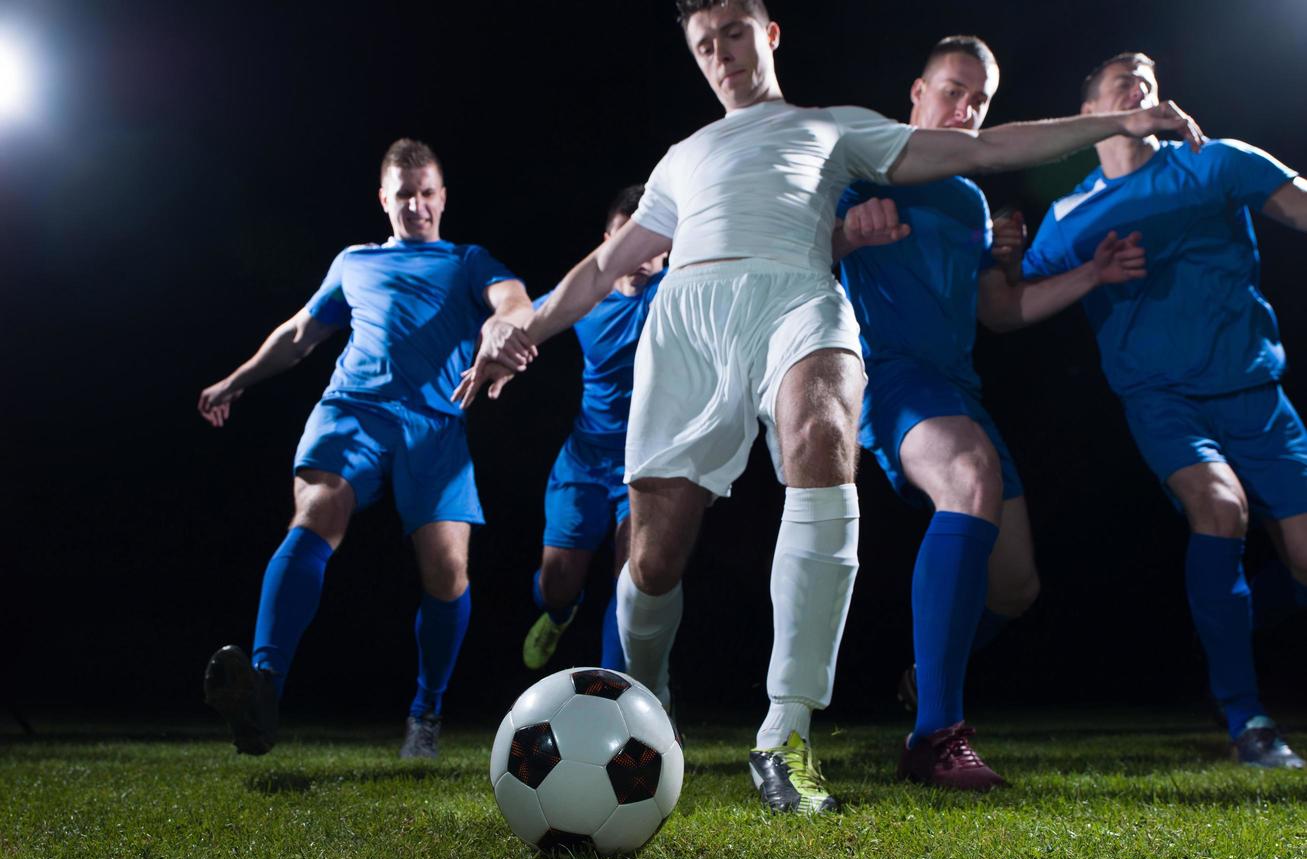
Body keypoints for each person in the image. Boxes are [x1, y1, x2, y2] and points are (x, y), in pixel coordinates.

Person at [455, 0, 1204, 813]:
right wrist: (521, 327)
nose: (722, 54)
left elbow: (984, 145)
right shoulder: (683, 157)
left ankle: (785, 735)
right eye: (705, 44)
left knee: (822, 429)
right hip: (691, 320)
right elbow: (602, 267)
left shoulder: (834, 127)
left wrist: (1118, 121)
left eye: (735, 34)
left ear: (768, 35)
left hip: (798, 298)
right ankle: (647, 696)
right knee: (654, 558)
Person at [835, 36, 1149, 789]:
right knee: (967, 477)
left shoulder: (968, 194)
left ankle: (926, 674)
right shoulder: (860, 168)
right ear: (915, 91)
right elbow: (787, 254)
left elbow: (999, 312)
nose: (964, 109)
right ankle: (934, 737)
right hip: (890, 379)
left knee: (1013, 589)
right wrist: (845, 235)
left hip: (958, 388)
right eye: (952, 91)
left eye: (977, 100)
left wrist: (1091, 272)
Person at [197, 138, 533, 759]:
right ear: (385, 200)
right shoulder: (354, 261)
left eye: (427, 193)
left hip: (435, 427)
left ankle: (425, 713)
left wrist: (501, 323)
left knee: (448, 572)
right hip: (354, 410)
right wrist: (234, 380)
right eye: (404, 195)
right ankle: (264, 689)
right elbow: (300, 334)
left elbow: (512, 298)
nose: (417, 206)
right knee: (317, 511)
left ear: (442, 196)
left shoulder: (465, 260)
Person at [1021, 52, 1307, 769]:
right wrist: (998, 255)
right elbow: (1006, 307)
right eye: (1119, 81)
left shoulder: (1216, 162)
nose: (1137, 88)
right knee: (1219, 509)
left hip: (1255, 393)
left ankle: (1235, 647)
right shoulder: (1067, 216)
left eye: (1144, 81)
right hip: (1163, 401)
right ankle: (1246, 719)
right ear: (1086, 116)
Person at [523, 186, 668, 671]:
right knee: (556, 583)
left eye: (648, 241)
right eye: (625, 240)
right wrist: (498, 333)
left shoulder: (677, 293)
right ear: (606, 244)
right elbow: (525, 318)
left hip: (646, 465)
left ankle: (615, 695)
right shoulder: (587, 298)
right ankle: (559, 613)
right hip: (584, 460)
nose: (637, 254)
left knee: (631, 585)